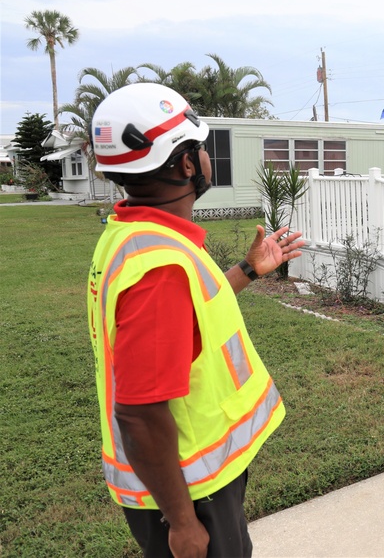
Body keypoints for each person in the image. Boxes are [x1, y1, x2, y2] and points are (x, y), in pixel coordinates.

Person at [86, 83, 306, 557]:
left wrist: (248, 270)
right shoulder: (160, 265)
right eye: (200, 148)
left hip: (189, 481)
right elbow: (139, 412)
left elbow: (188, 315)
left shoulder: (139, 236)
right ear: (186, 164)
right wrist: (184, 523)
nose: (207, 158)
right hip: (188, 489)